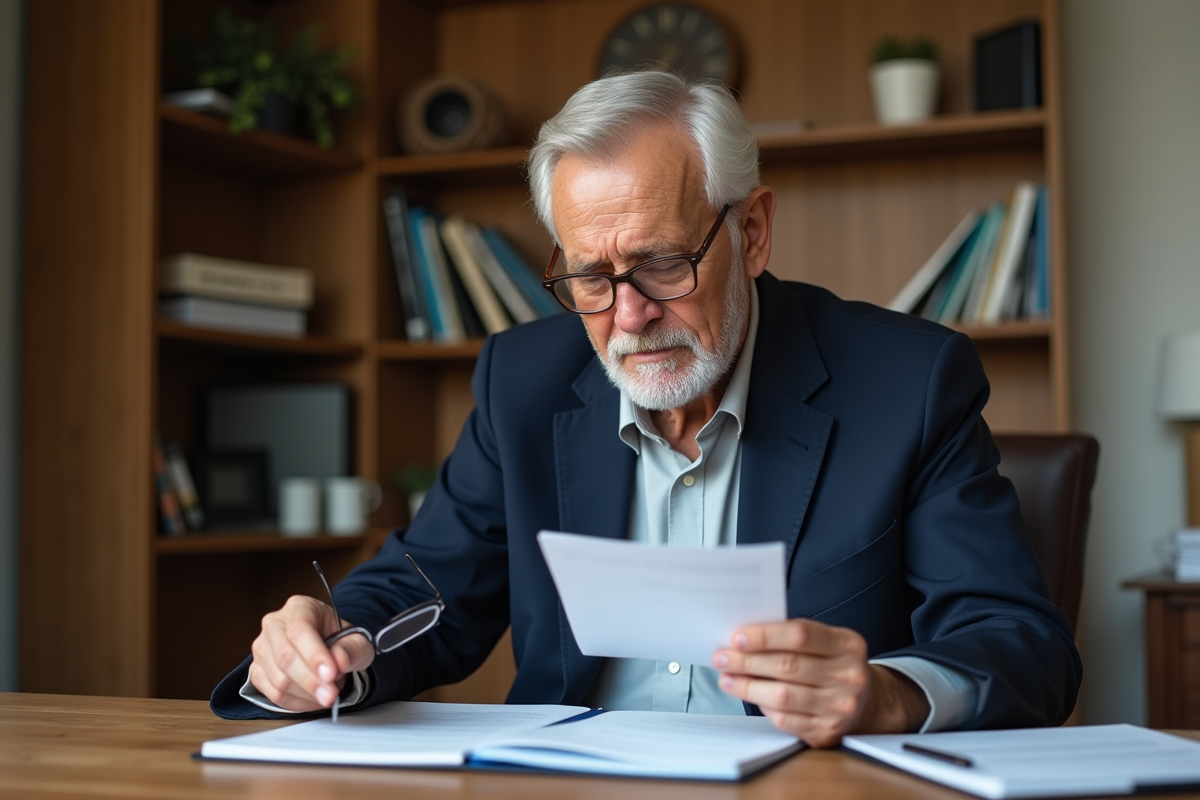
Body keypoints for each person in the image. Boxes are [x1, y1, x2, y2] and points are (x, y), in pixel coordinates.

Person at [212, 71, 1080, 747]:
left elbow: (1020, 642)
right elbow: (426, 587)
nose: (628, 317)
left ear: (751, 233)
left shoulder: (908, 382)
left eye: (663, 264)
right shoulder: (523, 380)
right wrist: (332, 648)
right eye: (590, 277)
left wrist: (888, 695)